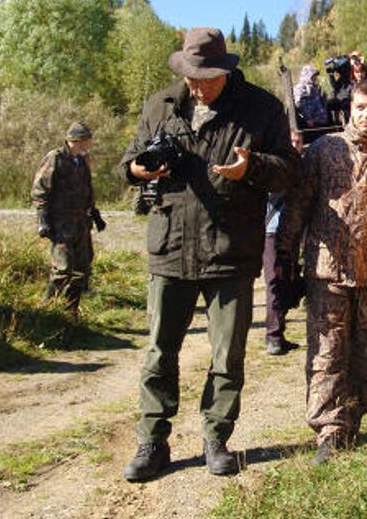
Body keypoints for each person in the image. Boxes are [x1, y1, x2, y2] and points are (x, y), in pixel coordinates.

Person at [119, 28, 298, 482]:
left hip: (230, 250)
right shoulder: (160, 104)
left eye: (207, 77)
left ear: (226, 70)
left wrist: (251, 166)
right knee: (160, 352)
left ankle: (216, 438)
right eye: (190, 76)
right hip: (171, 248)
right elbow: (129, 161)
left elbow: (288, 172)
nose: (197, 85)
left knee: (227, 354)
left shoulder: (261, 109)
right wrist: (137, 169)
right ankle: (153, 442)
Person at [276, 79, 367, 465]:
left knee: (365, 356)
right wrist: (284, 254)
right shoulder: (324, 150)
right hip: (327, 270)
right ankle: (330, 431)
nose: (366, 114)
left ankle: (352, 419)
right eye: (359, 107)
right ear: (349, 108)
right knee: (327, 353)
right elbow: (299, 203)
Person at [31, 121, 106, 318]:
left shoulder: (81, 161)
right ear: (76, 140)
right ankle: (46, 312)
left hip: (81, 223)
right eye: (86, 140)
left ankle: (70, 312)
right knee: (62, 269)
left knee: (82, 269)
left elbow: (87, 189)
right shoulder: (55, 158)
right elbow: (40, 191)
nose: (88, 144)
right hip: (61, 223)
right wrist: (42, 219)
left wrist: (95, 214)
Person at [262, 130, 303, 356]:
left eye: (298, 141)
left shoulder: (302, 167)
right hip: (272, 232)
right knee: (275, 282)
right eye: (291, 141)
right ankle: (273, 336)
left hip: (294, 232)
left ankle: (280, 332)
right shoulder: (274, 168)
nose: (295, 144)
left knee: (288, 279)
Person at [293, 64, 328, 130]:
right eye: (313, 75)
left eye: (315, 76)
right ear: (307, 75)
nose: (315, 78)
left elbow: (320, 103)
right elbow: (299, 104)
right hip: (310, 124)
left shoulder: (315, 87)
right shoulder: (300, 88)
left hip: (320, 122)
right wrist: (307, 119)